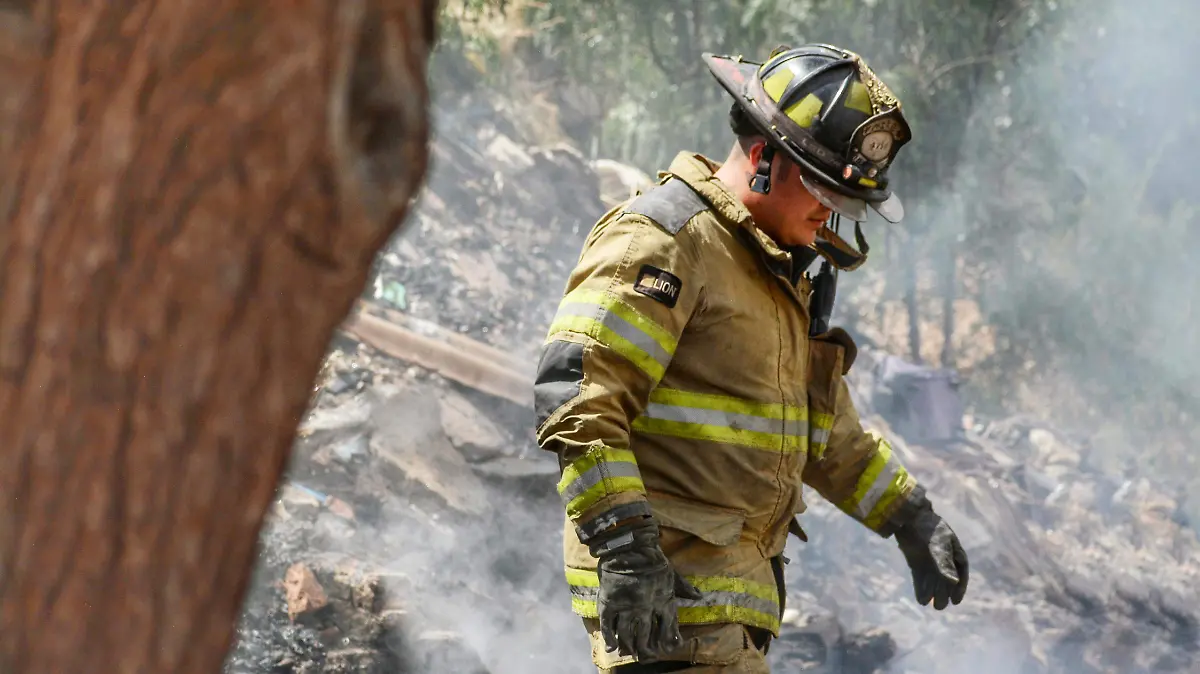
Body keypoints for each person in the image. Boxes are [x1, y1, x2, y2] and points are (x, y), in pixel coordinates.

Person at [534, 44, 969, 674]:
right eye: (823, 191)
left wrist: (909, 515)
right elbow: (578, 398)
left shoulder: (774, 273)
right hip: (667, 606)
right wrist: (627, 551)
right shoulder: (667, 240)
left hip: (720, 613)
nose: (831, 216)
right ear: (764, 157)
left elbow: (827, 436)